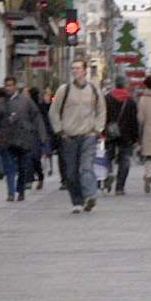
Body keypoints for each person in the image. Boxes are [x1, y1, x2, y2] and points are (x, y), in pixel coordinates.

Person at [52, 59, 105, 214]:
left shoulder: (94, 90)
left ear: (85, 70)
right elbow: (54, 111)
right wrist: (60, 130)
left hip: (88, 135)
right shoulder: (64, 90)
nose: (75, 71)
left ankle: (90, 196)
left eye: (78, 68)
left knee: (86, 167)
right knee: (71, 172)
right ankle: (77, 201)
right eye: (73, 68)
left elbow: (101, 111)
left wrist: (97, 129)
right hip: (69, 136)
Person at [0, 80, 48, 202]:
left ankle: (20, 190)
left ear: (15, 86)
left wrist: (42, 133)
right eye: (6, 86)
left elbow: (36, 116)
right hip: (7, 139)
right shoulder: (1, 103)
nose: (8, 88)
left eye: (10, 85)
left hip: (23, 139)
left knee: (23, 166)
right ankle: (10, 192)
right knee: (9, 167)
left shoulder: (26, 101)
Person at [102, 76, 138, 195]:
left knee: (108, 156)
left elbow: (103, 116)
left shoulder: (107, 98)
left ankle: (108, 173)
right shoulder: (130, 100)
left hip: (110, 133)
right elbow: (134, 121)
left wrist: (102, 132)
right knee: (124, 160)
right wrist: (136, 138)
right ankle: (120, 187)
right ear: (125, 85)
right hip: (126, 135)